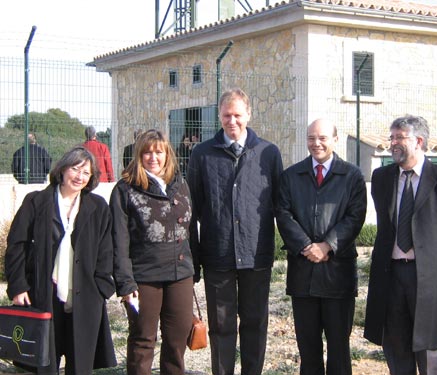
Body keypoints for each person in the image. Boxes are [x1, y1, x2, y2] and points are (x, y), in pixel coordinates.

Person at [187, 88, 283, 375]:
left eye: (238, 115)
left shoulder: (268, 152)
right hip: (218, 254)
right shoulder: (202, 154)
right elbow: (193, 210)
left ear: (249, 115)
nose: (232, 121)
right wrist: (193, 260)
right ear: (219, 115)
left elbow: (280, 203)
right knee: (221, 326)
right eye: (227, 115)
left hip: (257, 254)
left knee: (255, 323)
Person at [364, 115, 437, 375]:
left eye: (400, 138)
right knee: (396, 348)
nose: (393, 143)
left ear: (419, 141)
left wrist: (427, 253)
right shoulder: (381, 178)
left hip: (430, 277)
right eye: (392, 137)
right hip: (390, 276)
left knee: (432, 353)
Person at [5, 146, 117, 374]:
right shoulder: (36, 202)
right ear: (63, 169)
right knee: (45, 362)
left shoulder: (98, 207)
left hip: (85, 296)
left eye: (86, 173)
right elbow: (17, 246)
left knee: (80, 365)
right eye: (76, 169)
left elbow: (106, 250)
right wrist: (18, 286)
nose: (80, 177)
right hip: (44, 295)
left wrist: (102, 287)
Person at [276, 118, 367, 375]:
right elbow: (283, 213)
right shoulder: (291, 176)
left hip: (338, 275)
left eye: (323, 138)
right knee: (308, 349)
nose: (316, 143)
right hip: (303, 275)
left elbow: (355, 216)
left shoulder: (352, 176)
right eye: (311, 138)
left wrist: (327, 246)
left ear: (335, 140)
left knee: (339, 348)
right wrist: (307, 246)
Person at [109, 129, 194, 375]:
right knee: (143, 340)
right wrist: (125, 283)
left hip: (180, 274)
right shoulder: (125, 190)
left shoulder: (180, 184)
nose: (153, 157)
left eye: (159, 152)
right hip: (144, 277)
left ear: (168, 155)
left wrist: (193, 267)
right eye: (147, 152)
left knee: (177, 341)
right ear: (138, 156)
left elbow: (190, 228)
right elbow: (119, 240)